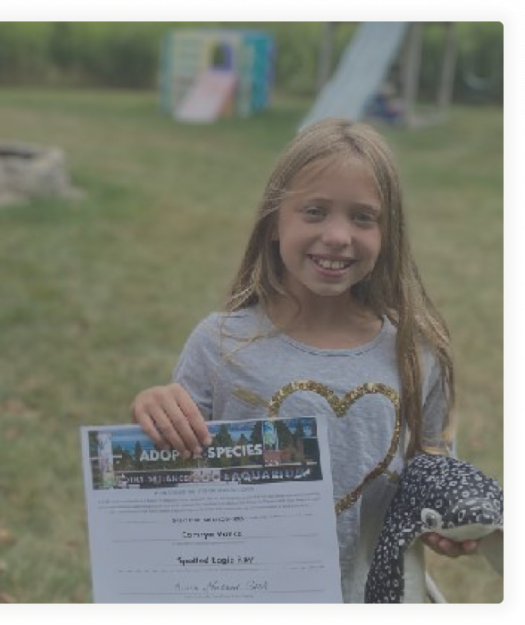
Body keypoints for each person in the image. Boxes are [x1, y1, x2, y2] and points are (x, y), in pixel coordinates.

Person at [129, 118, 474, 603]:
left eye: (362, 217)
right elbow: (175, 467)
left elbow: (434, 464)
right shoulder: (220, 344)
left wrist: (454, 519)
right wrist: (154, 406)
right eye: (314, 211)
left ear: (388, 232)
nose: (337, 236)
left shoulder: (417, 351)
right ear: (274, 222)